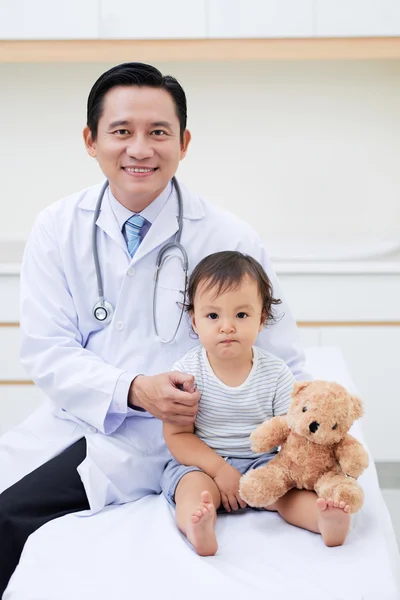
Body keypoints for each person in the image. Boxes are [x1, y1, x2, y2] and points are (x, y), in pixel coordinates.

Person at [0, 62, 308, 596]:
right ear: (91, 140)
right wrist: (134, 390)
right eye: (121, 131)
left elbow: (283, 358)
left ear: (184, 142)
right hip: (95, 428)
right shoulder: (57, 228)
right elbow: (47, 351)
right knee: (7, 515)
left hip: (208, 446)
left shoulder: (228, 235)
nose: (139, 149)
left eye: (158, 132)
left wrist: (300, 446)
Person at [162, 251, 352, 556]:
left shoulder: (276, 373)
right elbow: (177, 436)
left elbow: (292, 433)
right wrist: (219, 470)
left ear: (261, 319)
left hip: (263, 465)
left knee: (287, 492)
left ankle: (323, 519)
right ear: (194, 320)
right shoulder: (186, 373)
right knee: (192, 490)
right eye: (213, 316)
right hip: (204, 464)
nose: (227, 326)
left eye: (241, 315)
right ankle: (198, 525)